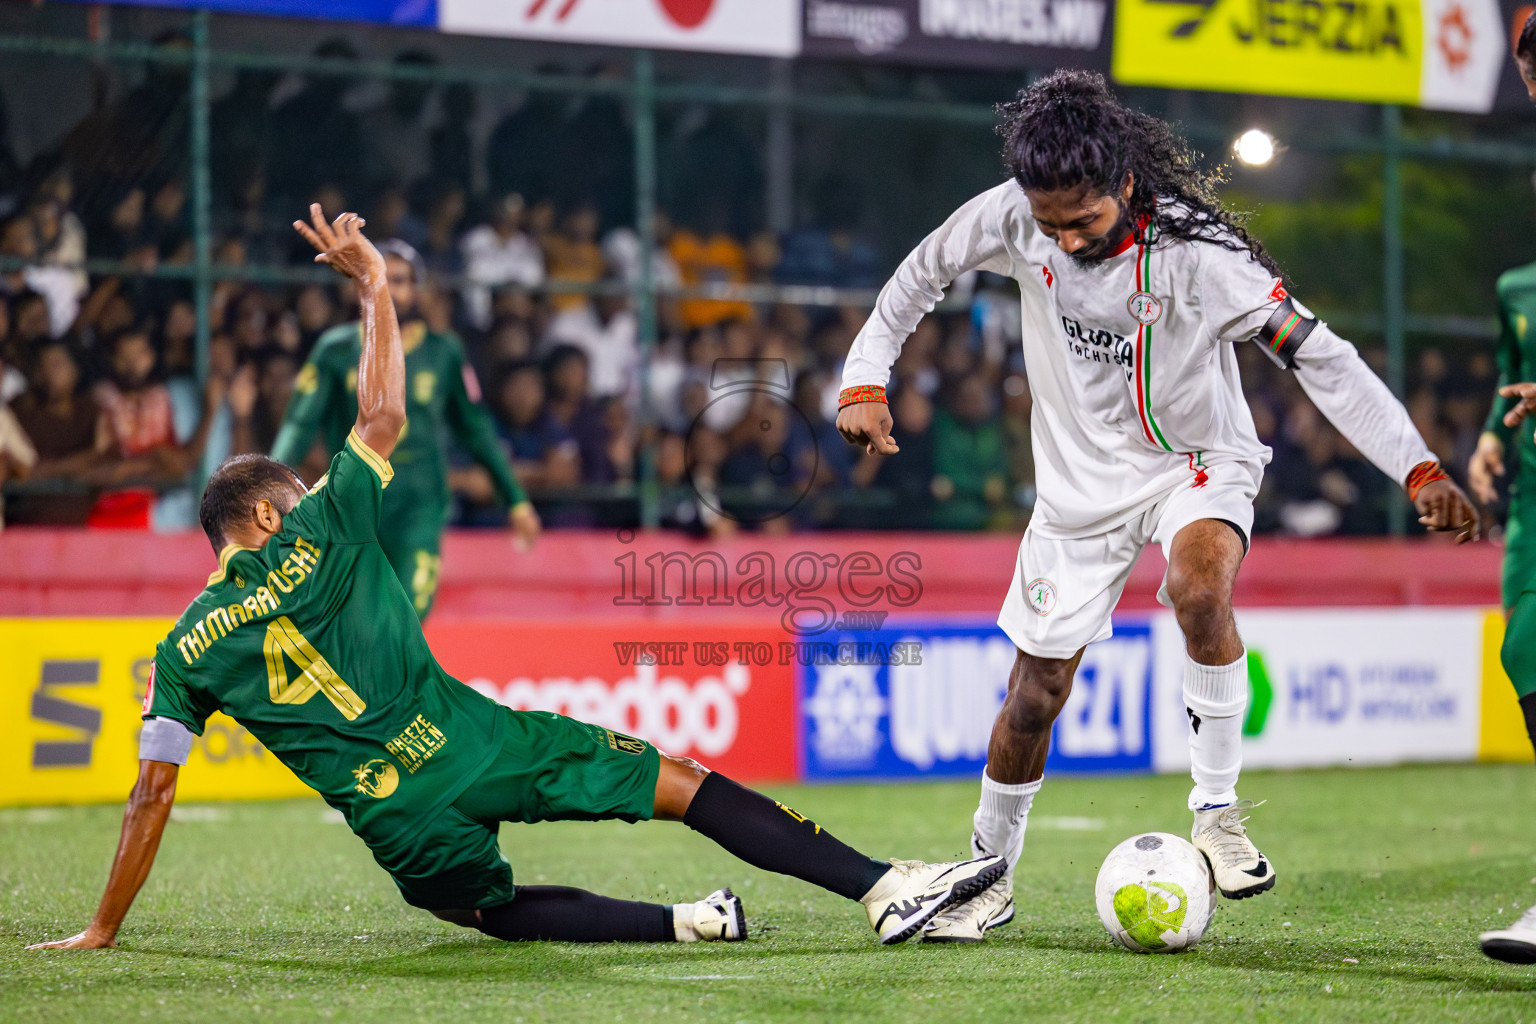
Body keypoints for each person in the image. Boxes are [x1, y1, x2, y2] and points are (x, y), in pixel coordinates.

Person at [26, 207, 1004, 952]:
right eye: (301, 484)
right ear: (271, 514)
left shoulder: (183, 647)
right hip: (475, 741)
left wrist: (104, 928)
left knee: (479, 910)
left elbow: (151, 794)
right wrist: (375, 288)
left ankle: (684, 923)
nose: (316, 484)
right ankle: (883, 888)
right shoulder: (319, 526)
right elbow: (379, 421)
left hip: (394, 819)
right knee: (684, 784)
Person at [835, 70, 1477, 944]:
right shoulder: (1016, 214)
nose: (1061, 238)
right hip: (1075, 490)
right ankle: (987, 877)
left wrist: (1418, 467)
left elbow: (1322, 359)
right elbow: (921, 272)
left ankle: (1215, 815)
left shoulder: (1207, 257)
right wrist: (864, 379)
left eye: (1082, 221)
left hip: (1196, 465)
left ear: (1126, 185)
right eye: (1048, 222)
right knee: (1034, 695)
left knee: (1199, 590)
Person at [271, 239, 539, 620]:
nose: (390, 289)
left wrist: (515, 498)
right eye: (379, 277)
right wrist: (265, 489)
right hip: (353, 506)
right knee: (353, 623)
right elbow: (299, 425)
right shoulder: (335, 350)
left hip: (419, 505)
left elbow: (475, 430)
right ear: (357, 285)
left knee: (406, 618)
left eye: (399, 280)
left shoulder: (443, 352)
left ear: (417, 290)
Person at [1468, 10, 1536, 966]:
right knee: (1527, 658)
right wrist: (1489, 436)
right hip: (1534, 501)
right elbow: (1509, 368)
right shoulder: (1519, 286)